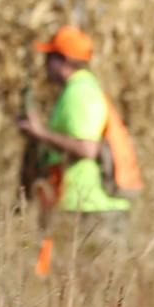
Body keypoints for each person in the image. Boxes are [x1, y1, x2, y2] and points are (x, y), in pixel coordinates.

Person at [17, 25, 133, 271]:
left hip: (93, 210)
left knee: (91, 297)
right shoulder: (78, 90)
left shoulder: (80, 92)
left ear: (64, 60)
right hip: (81, 207)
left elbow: (86, 149)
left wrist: (39, 132)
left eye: (50, 57)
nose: (45, 65)